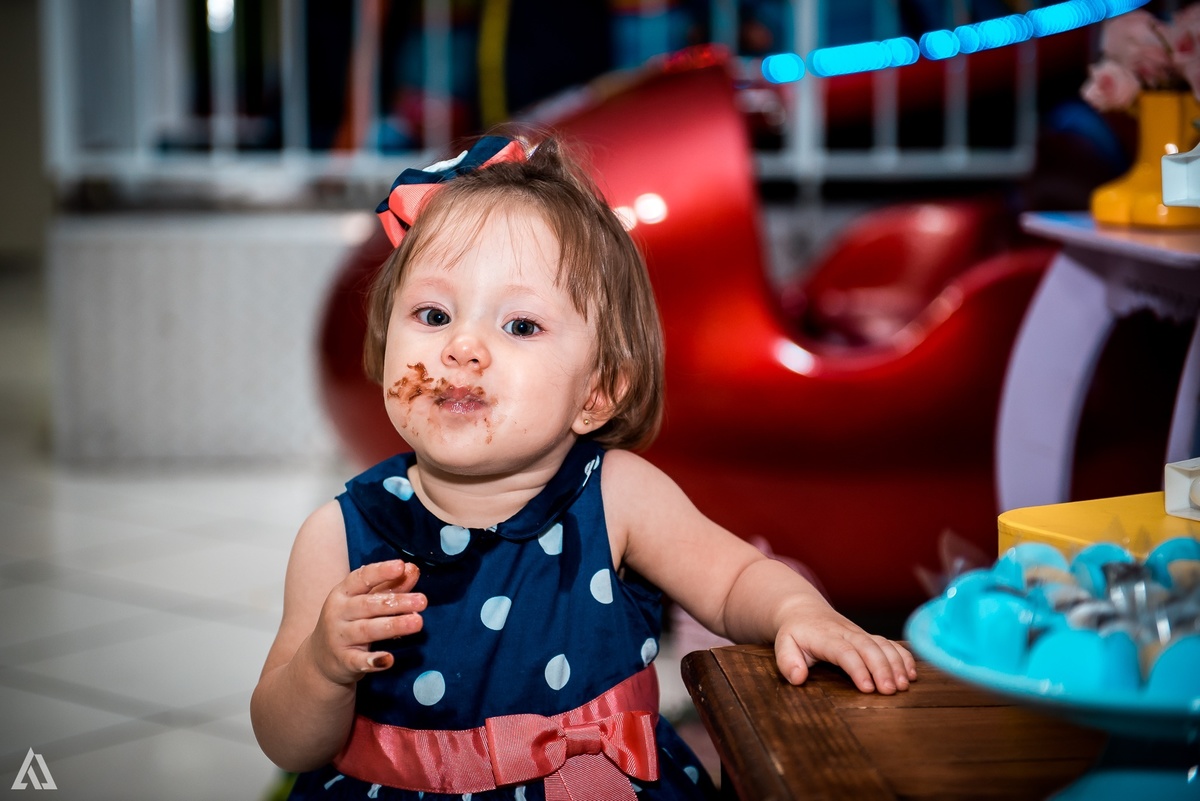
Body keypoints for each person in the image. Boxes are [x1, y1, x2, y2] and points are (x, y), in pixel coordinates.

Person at [251, 133, 917, 801]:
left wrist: (799, 610)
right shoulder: (338, 537)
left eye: (519, 326)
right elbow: (288, 742)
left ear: (597, 391)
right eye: (433, 313)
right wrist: (322, 667)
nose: (462, 347)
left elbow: (735, 576)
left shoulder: (617, 496)